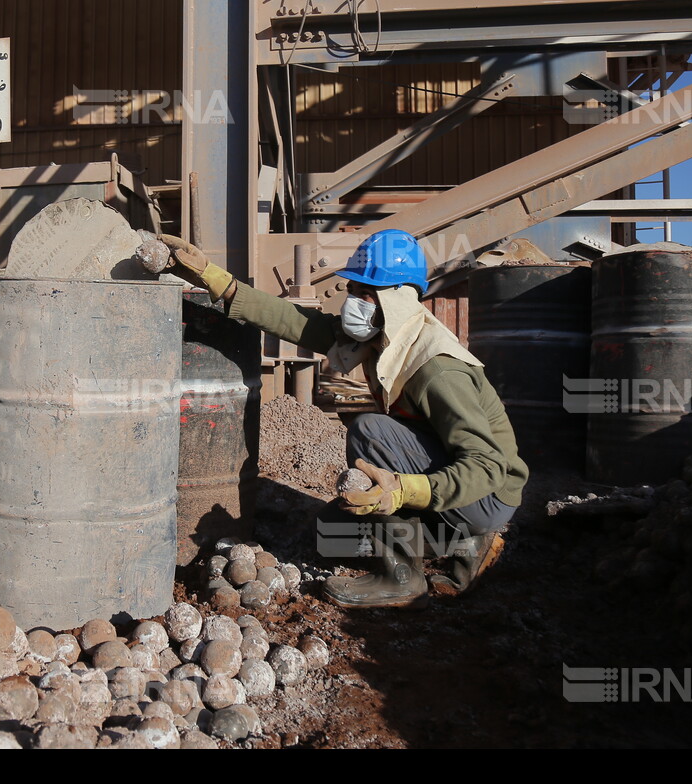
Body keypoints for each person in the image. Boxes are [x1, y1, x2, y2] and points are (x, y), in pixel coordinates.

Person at [157, 229, 527, 608]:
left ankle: (401, 578)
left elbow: (488, 467)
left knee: (371, 431)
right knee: (331, 534)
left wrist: (402, 491)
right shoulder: (383, 337)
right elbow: (294, 321)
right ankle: (466, 542)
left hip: (486, 494)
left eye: (365, 293)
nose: (353, 300)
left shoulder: (437, 371)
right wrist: (219, 281)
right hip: (444, 473)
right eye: (353, 288)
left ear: (395, 300)